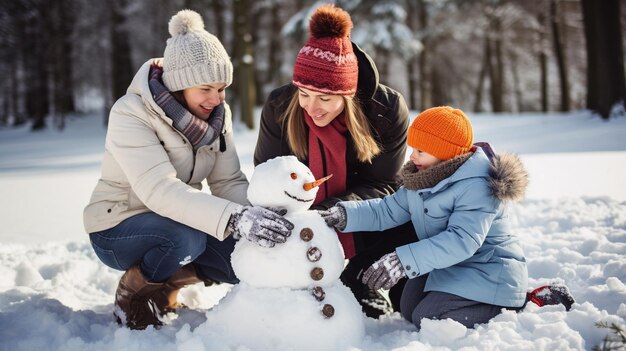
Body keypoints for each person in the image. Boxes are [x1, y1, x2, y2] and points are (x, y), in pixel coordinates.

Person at [83, 10, 293, 330]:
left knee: (242, 259)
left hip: (180, 219)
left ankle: (166, 283)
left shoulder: (218, 116)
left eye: (222, 88)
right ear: (179, 84)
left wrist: (259, 213)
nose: (217, 98)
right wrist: (234, 218)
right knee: (187, 238)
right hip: (118, 226)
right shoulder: (131, 113)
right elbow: (159, 189)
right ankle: (133, 293)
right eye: (206, 88)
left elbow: (227, 181)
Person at [253, 4, 415, 318]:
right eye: (304, 94)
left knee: (406, 218)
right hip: (300, 220)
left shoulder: (386, 109)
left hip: (364, 220)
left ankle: (361, 280)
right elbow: (267, 179)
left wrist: (334, 213)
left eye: (324, 98)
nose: (311, 108)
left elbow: (384, 185)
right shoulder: (279, 106)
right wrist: (303, 219)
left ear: (348, 94)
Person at [319, 106, 531, 328]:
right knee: (408, 307)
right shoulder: (422, 179)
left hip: (489, 271)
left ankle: (511, 304)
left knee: (428, 317)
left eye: (420, 150)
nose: (412, 156)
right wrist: (344, 214)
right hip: (451, 266)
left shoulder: (477, 186)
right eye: (413, 148)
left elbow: (461, 241)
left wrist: (403, 260)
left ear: (446, 152)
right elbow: (386, 210)